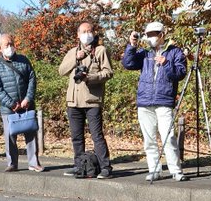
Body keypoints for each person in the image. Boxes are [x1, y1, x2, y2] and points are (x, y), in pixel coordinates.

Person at [122, 21, 188, 181]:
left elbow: (180, 73)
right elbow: (128, 63)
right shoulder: (145, 53)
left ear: (162, 35)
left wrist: (166, 63)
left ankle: (176, 170)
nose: (150, 38)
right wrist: (132, 45)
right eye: (148, 35)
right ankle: (154, 170)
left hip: (164, 100)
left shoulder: (174, 52)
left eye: (153, 34)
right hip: (144, 100)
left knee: (168, 137)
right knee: (149, 139)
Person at [58, 21, 114, 178]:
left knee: (97, 136)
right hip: (73, 102)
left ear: (94, 33)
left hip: (92, 101)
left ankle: (105, 167)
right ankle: (80, 165)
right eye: (83, 31)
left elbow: (108, 73)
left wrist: (90, 77)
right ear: (78, 34)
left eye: (89, 31)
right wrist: (76, 58)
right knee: (76, 136)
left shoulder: (100, 51)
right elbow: (61, 71)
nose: (87, 34)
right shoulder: (73, 51)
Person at [0, 33, 42, 171]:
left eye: (12, 44)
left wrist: (28, 98)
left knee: (31, 135)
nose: (10, 47)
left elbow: (32, 80)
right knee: (10, 137)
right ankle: (12, 163)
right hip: (8, 108)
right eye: (7, 45)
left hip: (27, 105)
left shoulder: (23, 60)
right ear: (0, 47)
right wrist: (11, 103)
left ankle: (34, 163)